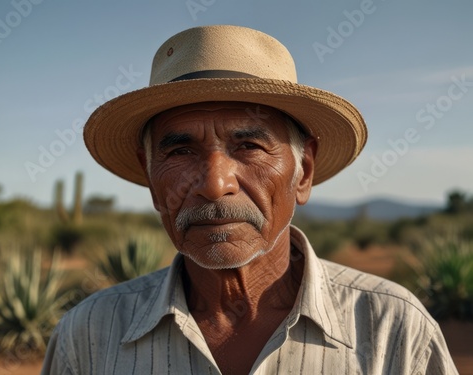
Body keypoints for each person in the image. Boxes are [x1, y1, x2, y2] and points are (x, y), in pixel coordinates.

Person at [41, 25, 458, 374]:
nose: (214, 183)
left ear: (304, 171)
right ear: (151, 178)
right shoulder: (90, 335)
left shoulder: (392, 328)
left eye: (249, 147)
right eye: (180, 151)